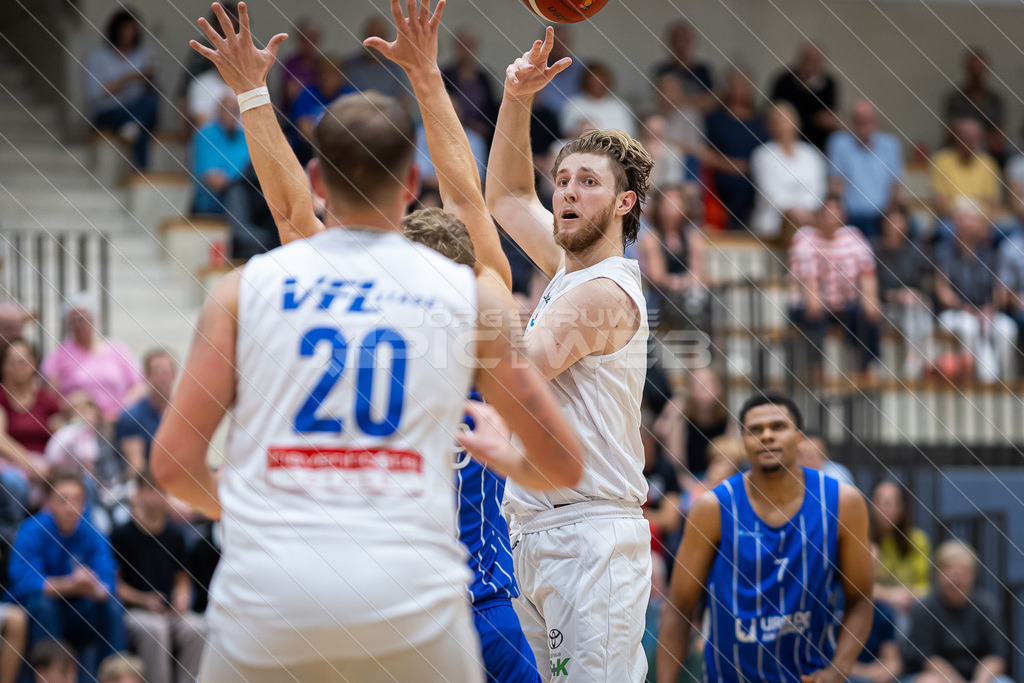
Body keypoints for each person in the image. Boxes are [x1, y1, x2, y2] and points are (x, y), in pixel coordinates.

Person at [154, 4, 583, 681]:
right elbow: (472, 203)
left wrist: (252, 92)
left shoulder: (266, 287)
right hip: (449, 600)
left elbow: (294, 214)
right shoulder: (473, 303)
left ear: (328, 189)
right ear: (409, 183)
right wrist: (425, 73)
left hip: (278, 593)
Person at [484, 27, 655, 681]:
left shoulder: (603, 293)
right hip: (535, 527)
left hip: (591, 535)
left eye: (588, 181)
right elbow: (504, 197)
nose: (567, 192)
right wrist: (515, 94)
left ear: (623, 202)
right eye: (561, 180)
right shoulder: (567, 266)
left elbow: (515, 370)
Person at [656, 391, 874, 683]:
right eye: (755, 430)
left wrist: (837, 672)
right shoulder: (712, 509)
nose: (767, 436)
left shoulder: (843, 503)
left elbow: (860, 600)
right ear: (743, 443)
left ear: (799, 439)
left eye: (778, 427)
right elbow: (679, 609)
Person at [8, 474, 125, 678]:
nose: (70, 507)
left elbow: (108, 584)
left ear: (84, 505)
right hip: (39, 610)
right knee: (44, 605)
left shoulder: (93, 532)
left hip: (79, 609)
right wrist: (71, 583)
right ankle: (50, 677)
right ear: (50, 503)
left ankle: (114, 677)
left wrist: (93, 586)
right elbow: (24, 582)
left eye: (76, 500)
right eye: (63, 500)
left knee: (111, 608)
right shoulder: (31, 530)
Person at [111, 471, 205, 683]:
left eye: (162, 490)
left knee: (197, 628)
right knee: (155, 630)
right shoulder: (122, 534)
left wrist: (182, 596)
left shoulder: (175, 535)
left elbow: (182, 577)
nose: (158, 496)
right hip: (135, 611)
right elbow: (115, 584)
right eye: (152, 489)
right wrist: (144, 600)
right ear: (139, 492)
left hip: (170, 611)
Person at [788, 195, 882, 383]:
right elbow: (808, 280)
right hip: (809, 303)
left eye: (835, 212)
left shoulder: (855, 238)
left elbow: (867, 274)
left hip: (844, 304)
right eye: (827, 212)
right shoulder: (805, 238)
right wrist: (814, 298)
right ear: (819, 216)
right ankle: (814, 367)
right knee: (815, 312)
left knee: (867, 312)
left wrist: (871, 299)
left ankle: (868, 366)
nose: (831, 217)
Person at [901, 541, 1012, 683]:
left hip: (977, 677)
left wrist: (979, 681)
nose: (956, 576)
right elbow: (926, 658)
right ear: (938, 573)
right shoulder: (924, 608)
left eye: (963, 570)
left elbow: (996, 656)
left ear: (973, 574)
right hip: (934, 676)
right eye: (949, 569)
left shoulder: (987, 605)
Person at [934, 198, 1016, 382]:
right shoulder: (945, 251)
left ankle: (1004, 383)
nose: (969, 223)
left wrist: (990, 310)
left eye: (972, 219)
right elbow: (943, 291)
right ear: (956, 223)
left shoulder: (989, 254)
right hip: (955, 313)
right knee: (969, 326)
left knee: (1007, 329)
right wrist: (966, 308)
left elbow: (999, 292)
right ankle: (975, 382)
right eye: (964, 218)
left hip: (984, 312)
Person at [41, 294, 145, 425]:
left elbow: (139, 386)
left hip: (118, 421)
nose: (80, 324)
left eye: (85, 318)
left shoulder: (118, 349)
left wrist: (120, 411)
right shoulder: (59, 354)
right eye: (75, 320)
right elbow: (51, 394)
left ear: (95, 319)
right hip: (79, 422)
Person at [85, 9, 158, 168]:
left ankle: (131, 125)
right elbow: (96, 94)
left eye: (132, 29)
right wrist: (129, 78)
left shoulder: (143, 55)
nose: (128, 34)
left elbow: (150, 92)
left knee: (153, 98)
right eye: (125, 29)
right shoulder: (98, 57)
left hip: (136, 107)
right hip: (109, 112)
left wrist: (148, 80)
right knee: (140, 126)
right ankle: (142, 170)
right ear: (116, 30)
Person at [826, 99, 904, 241]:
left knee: (905, 224)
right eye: (858, 120)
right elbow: (836, 185)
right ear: (851, 121)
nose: (863, 125)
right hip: (851, 214)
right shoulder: (839, 143)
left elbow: (895, 187)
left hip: (882, 215)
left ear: (876, 121)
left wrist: (891, 212)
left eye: (868, 120)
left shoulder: (891, 144)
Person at [750, 102, 827, 241]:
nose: (784, 126)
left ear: (797, 122)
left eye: (787, 120)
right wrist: (796, 213)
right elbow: (770, 193)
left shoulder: (812, 154)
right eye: (778, 121)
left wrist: (805, 212)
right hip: (773, 224)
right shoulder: (762, 155)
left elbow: (819, 191)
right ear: (770, 126)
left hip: (810, 220)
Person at [703, 67, 769, 230]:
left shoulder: (761, 121)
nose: (740, 89)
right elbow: (704, 151)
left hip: (754, 181)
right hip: (722, 182)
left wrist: (750, 167)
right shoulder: (714, 119)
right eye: (736, 84)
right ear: (727, 86)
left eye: (745, 84)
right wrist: (729, 165)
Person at [875, 205, 934, 378]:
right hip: (886, 308)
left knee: (919, 306)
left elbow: (926, 282)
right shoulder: (875, 250)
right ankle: (917, 359)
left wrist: (916, 293)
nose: (895, 225)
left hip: (912, 307)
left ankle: (919, 358)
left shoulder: (914, 251)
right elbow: (871, 287)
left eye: (900, 220)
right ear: (884, 223)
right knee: (911, 308)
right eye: (891, 220)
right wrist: (895, 295)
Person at [0, 339, 61, 491]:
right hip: (12, 466)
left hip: (46, 466)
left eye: (23, 361)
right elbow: (1, 439)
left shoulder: (46, 400)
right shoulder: (2, 398)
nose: (18, 367)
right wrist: (31, 464)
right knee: (14, 483)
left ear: (32, 363)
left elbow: (60, 434)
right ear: (4, 366)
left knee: (81, 483)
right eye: (13, 362)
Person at [868, 480, 931, 617]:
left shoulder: (919, 540)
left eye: (890, 503)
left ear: (901, 508)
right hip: (876, 608)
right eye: (879, 502)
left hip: (909, 606)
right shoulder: (863, 540)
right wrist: (889, 595)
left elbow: (924, 586)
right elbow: (858, 586)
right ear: (872, 506)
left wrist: (906, 595)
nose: (885, 509)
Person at [115, 349, 176, 476]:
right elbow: (136, 468)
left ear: (174, 374)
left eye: (165, 372)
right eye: (156, 372)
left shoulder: (183, 414)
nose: (161, 378)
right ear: (147, 376)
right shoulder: (132, 416)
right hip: (147, 485)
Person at [770, 41, 840, 150]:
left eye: (816, 60)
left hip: (819, 145)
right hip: (787, 143)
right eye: (808, 59)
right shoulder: (784, 81)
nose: (811, 64)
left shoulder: (829, 83)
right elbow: (774, 113)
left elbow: (832, 114)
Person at [943, 48, 1006, 164]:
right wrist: (967, 140)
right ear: (966, 70)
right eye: (973, 70)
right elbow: (949, 133)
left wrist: (976, 139)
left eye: (979, 69)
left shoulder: (995, 100)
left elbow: (999, 136)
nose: (976, 74)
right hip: (959, 150)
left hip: (989, 151)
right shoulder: (955, 99)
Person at [931, 118, 1000, 219]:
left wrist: (976, 219)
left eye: (974, 139)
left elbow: (993, 204)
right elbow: (940, 204)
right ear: (956, 138)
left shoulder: (988, 163)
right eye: (965, 138)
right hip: (951, 219)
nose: (970, 143)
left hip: (981, 220)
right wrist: (963, 217)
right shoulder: (941, 160)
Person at [650, 21, 714, 112]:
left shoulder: (703, 70)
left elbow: (711, 102)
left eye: (684, 39)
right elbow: (661, 103)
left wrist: (677, 101)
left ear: (691, 41)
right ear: (670, 42)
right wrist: (696, 100)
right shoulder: (661, 70)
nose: (680, 44)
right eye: (676, 39)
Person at [561, 61, 636, 138]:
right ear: (585, 82)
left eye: (601, 81)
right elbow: (567, 132)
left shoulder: (620, 106)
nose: (597, 85)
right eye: (593, 81)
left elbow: (629, 134)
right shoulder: (574, 104)